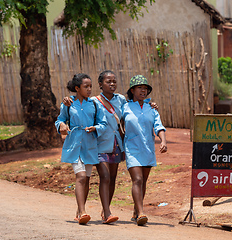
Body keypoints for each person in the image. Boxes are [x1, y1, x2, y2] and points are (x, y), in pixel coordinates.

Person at [62, 71, 159, 224]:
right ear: (100, 84)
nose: (112, 84)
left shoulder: (121, 100)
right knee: (104, 177)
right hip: (99, 143)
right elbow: (79, 105)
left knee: (112, 178)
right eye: (108, 82)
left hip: (116, 144)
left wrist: (149, 104)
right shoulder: (94, 101)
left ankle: (97, 210)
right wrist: (68, 100)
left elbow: (135, 106)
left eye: (114, 81)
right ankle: (106, 212)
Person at [55, 73, 107, 225]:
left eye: (91, 86)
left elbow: (103, 123)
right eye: (86, 87)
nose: (89, 89)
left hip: (90, 145)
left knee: (87, 180)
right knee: (81, 177)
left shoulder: (95, 104)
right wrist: (62, 126)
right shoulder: (68, 104)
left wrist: (96, 128)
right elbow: (60, 119)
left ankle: (79, 212)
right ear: (77, 88)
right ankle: (84, 211)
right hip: (74, 144)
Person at [122, 75, 167, 226]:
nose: (143, 90)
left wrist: (163, 141)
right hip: (132, 148)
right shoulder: (125, 107)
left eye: (145, 88)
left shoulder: (151, 108)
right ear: (132, 90)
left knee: (144, 181)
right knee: (137, 179)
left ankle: (136, 211)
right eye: (140, 87)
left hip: (148, 148)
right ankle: (141, 213)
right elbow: (116, 121)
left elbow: (158, 126)